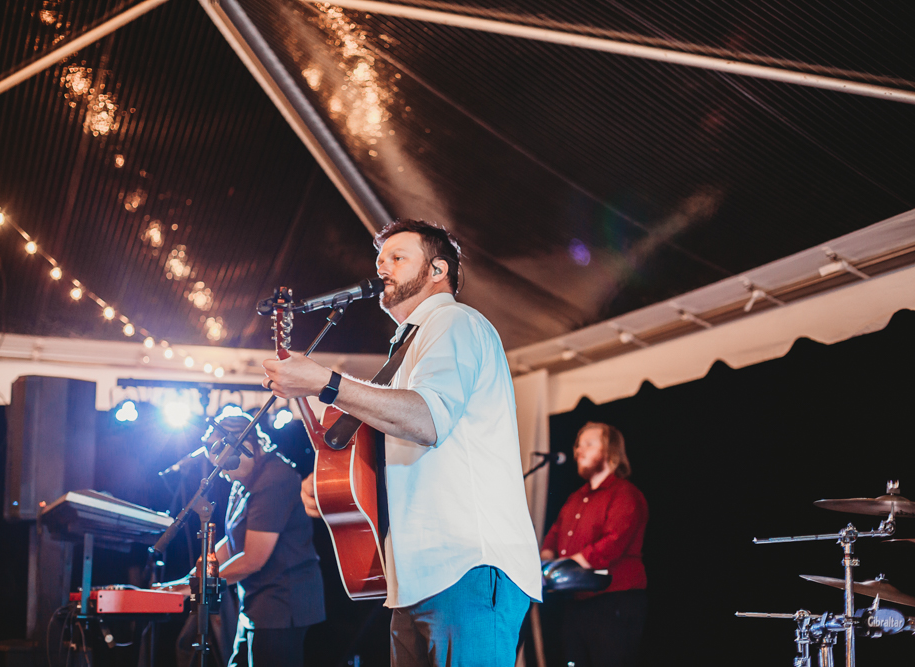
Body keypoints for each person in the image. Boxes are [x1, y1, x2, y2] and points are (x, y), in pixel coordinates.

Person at [262, 219, 542, 667]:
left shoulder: (453, 321)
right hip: (417, 576)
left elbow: (427, 419)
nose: (383, 268)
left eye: (398, 257)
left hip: (466, 566)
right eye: (379, 260)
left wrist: (325, 381)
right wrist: (336, 481)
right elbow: (390, 439)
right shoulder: (410, 342)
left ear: (437, 270)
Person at [160, 414, 325, 667]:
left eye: (226, 466)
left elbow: (252, 559)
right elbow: (234, 538)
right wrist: (191, 577)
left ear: (247, 446)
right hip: (258, 604)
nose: (224, 474)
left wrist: (197, 586)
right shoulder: (245, 479)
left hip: (282, 605)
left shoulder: (276, 479)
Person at [540, 422, 648, 667]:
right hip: (576, 602)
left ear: (610, 452)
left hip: (614, 601)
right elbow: (553, 536)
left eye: (588, 444)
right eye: (578, 445)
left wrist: (560, 567)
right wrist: (547, 561)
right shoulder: (575, 498)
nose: (579, 450)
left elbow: (611, 544)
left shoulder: (624, 493)